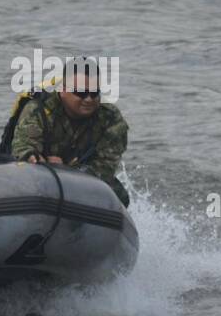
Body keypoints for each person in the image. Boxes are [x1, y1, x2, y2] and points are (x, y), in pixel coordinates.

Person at [9, 59, 130, 206]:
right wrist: (36, 161)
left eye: (94, 93)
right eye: (81, 93)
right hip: (40, 179)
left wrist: (66, 170)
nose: (88, 99)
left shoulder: (110, 119)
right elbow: (23, 147)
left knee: (119, 195)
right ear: (63, 90)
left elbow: (104, 168)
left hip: (82, 181)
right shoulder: (39, 111)